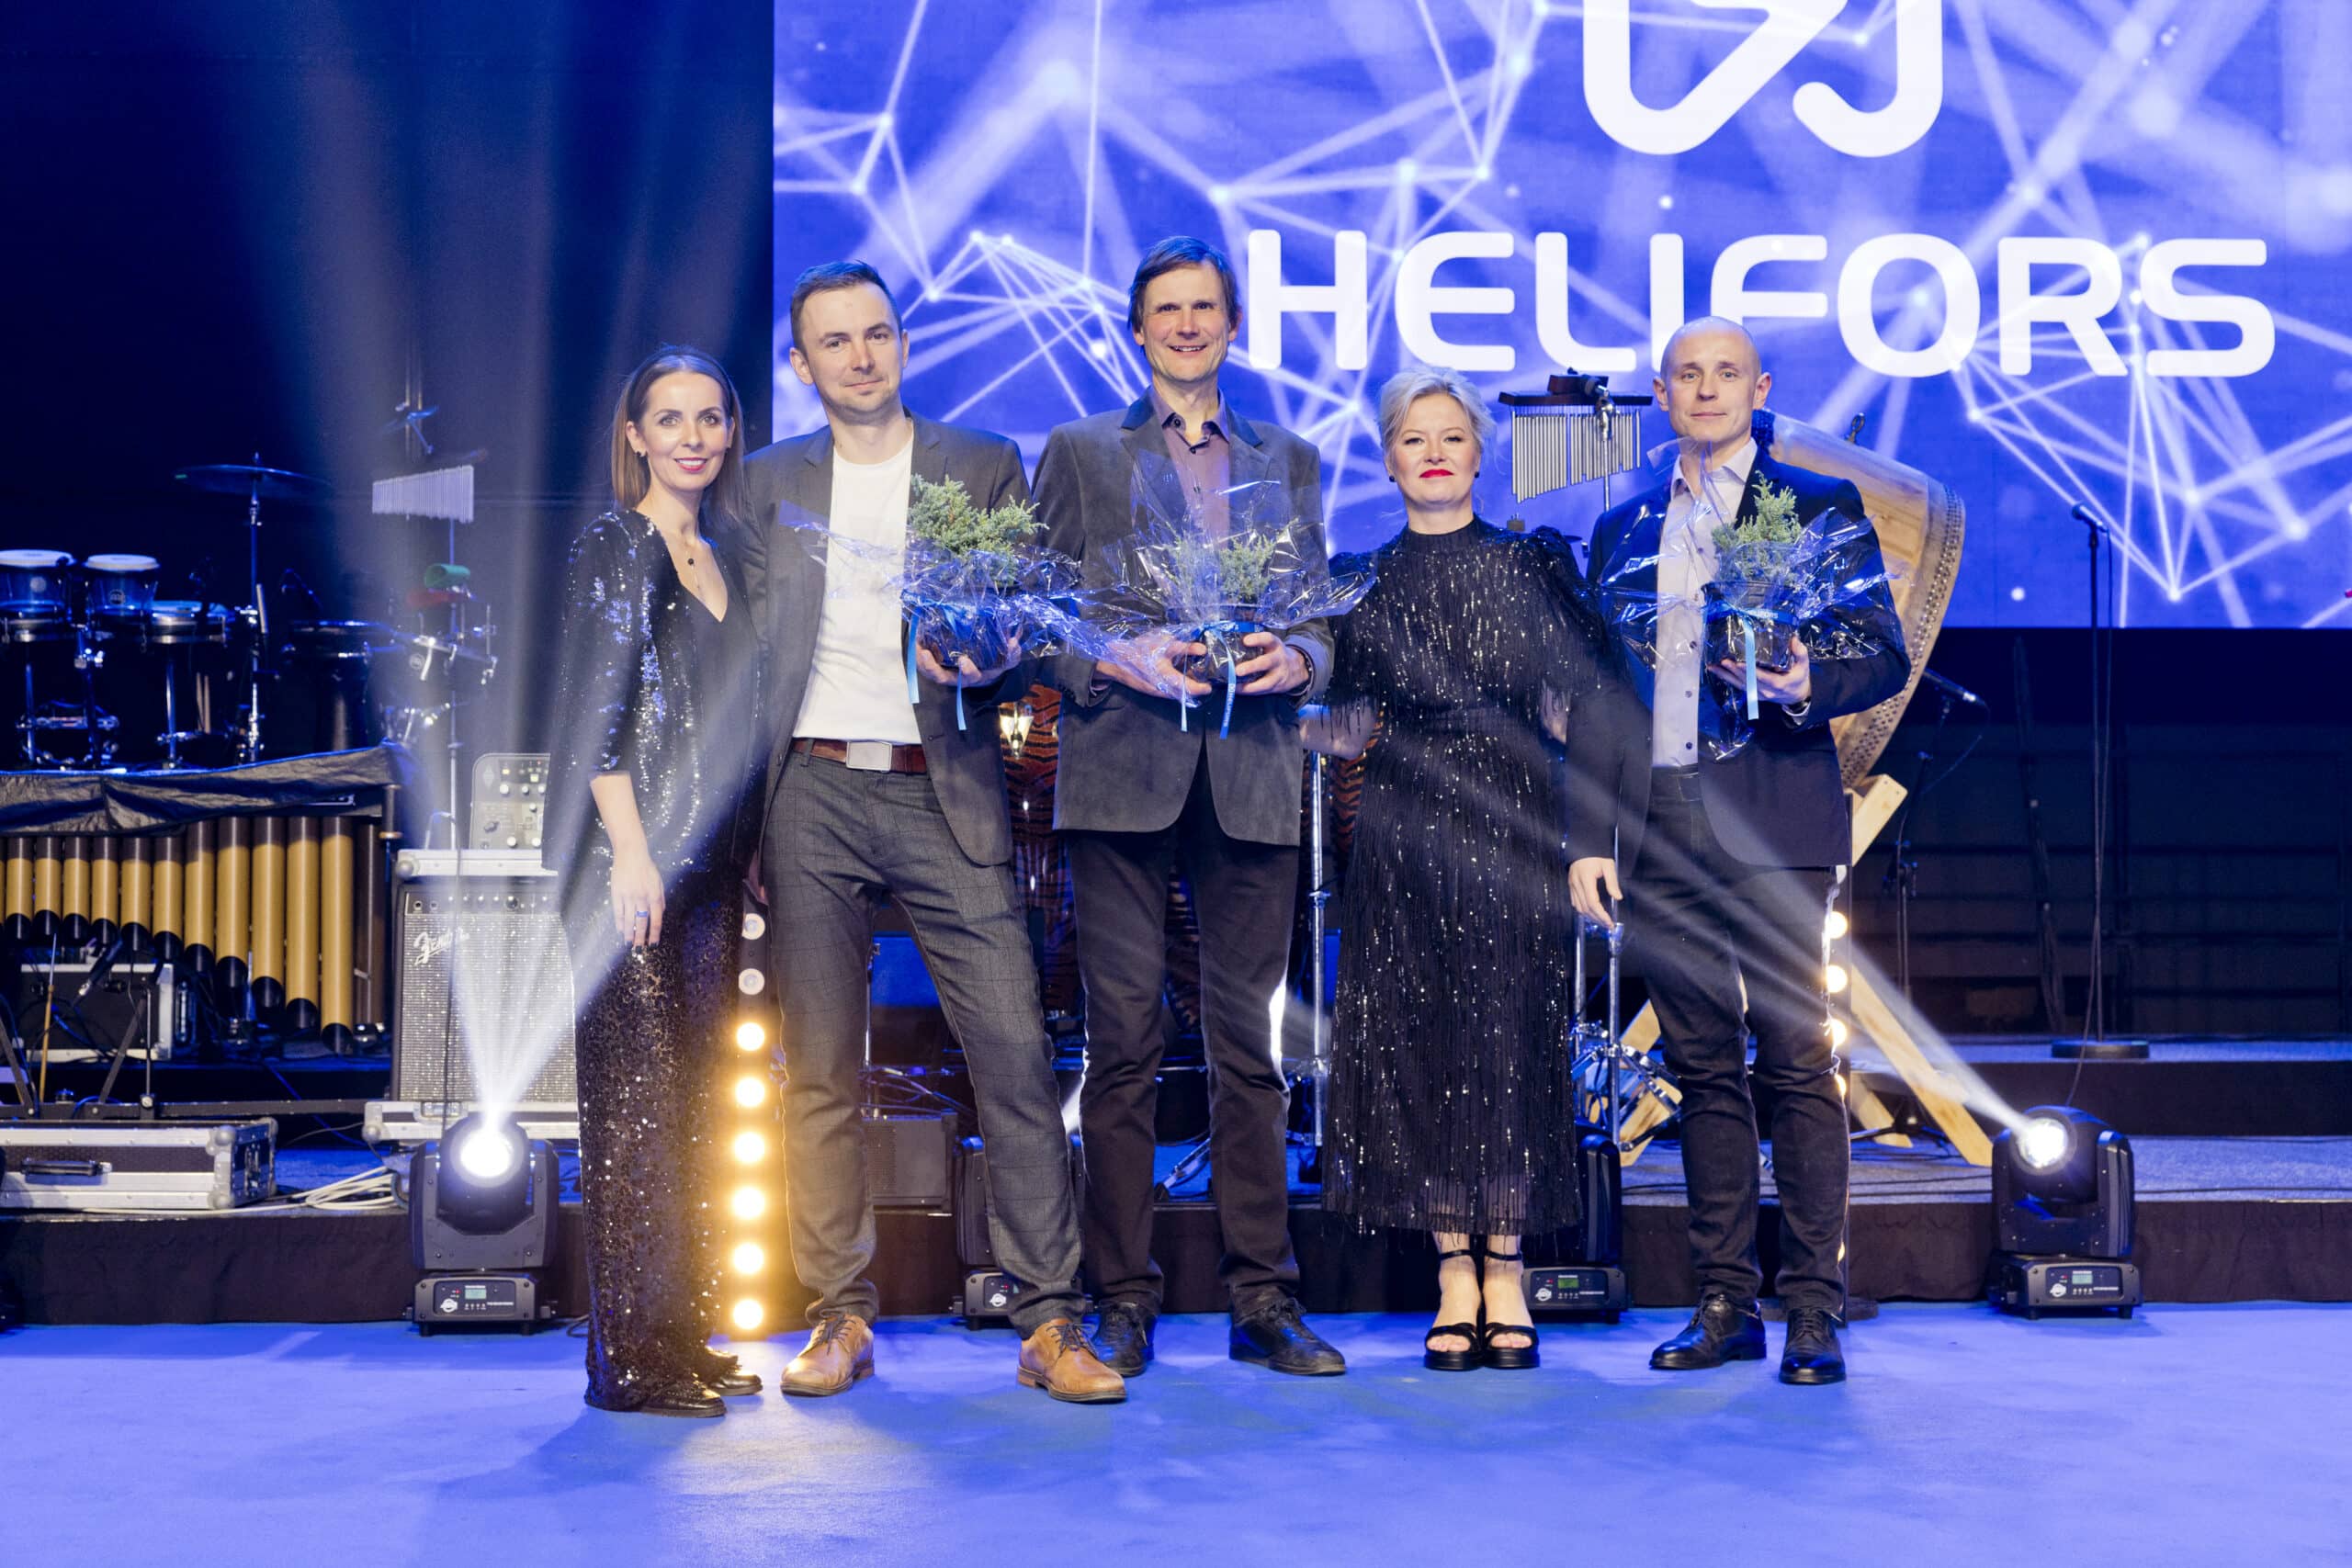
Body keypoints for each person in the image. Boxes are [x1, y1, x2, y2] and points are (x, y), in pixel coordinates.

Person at [738, 261, 1122, 1404]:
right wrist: (735, 823)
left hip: (941, 782)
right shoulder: (765, 483)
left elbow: (1029, 615)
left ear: (903, 343)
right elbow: (742, 663)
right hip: (807, 790)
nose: (861, 356)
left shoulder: (981, 462)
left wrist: (999, 655)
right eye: (835, 341)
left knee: (1012, 1055)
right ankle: (838, 1314)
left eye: (878, 334)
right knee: (818, 1069)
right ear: (801, 364)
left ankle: (1048, 1320)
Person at [1566, 316, 1910, 1386]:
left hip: (1773, 818)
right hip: (1658, 824)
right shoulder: (1622, 529)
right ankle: (1723, 1301)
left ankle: (1811, 1304)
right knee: (1700, 1068)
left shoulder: (1813, 507)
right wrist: (1586, 839)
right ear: (1661, 393)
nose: (1706, 389)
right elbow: (1597, 695)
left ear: (1759, 391)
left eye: (1727, 373)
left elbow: (1879, 652)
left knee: (1797, 1061)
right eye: (1687, 374)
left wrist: (1807, 680)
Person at [1035, 236, 1343, 1378]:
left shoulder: (1289, 457)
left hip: (1251, 769)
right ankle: (1122, 1298)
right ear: (1137, 328)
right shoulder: (1079, 450)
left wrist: (1302, 660)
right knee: (1122, 1047)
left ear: (1232, 323)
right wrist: (1106, 659)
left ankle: (1263, 1298)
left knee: (1250, 1050)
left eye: (1203, 307)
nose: (1185, 325)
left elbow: (1317, 612)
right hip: (1122, 770)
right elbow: (1038, 611)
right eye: (1165, 309)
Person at [1309, 367, 1616, 1372]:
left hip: (1517, 820)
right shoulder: (1358, 578)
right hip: (1403, 825)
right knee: (1422, 1038)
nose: (1434, 453)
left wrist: (1587, 838)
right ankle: (1454, 1270)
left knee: (1511, 1035)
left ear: (1480, 454)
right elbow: (1338, 725)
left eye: (1451, 436)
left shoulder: (1531, 564)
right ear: (1388, 460)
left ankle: (1508, 1267)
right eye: (1413, 438)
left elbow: (1584, 712)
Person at [548, 345, 766, 1418]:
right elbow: (596, 708)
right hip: (629, 867)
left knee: (693, 1109)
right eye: (669, 418)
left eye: (709, 418)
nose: (692, 437)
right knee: (636, 1114)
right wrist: (631, 852)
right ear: (633, 435)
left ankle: (681, 1333)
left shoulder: (724, 556)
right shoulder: (611, 545)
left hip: (712, 869)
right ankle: (628, 1361)